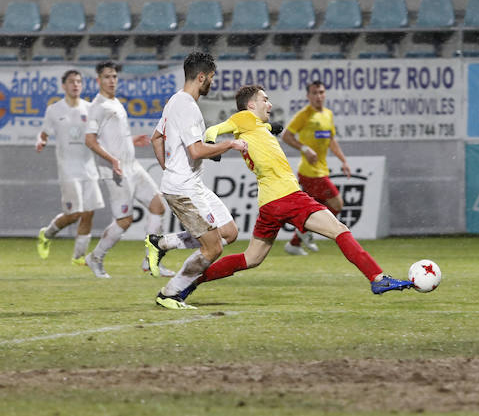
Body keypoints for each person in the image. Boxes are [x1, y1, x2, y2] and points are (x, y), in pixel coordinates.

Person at [167, 84, 412, 308]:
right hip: (288, 197)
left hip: (269, 203)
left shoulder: (255, 126)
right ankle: (377, 277)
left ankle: (192, 281)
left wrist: (269, 127)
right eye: (265, 99)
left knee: (251, 258)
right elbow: (215, 129)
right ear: (251, 105)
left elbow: (257, 130)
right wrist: (213, 147)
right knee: (339, 230)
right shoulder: (244, 118)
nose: (269, 104)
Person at [147, 51, 248, 309]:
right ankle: (170, 293)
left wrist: (169, 167)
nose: (212, 83)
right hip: (183, 189)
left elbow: (156, 138)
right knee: (213, 248)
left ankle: (162, 243)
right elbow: (196, 150)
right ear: (201, 77)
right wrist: (229, 144)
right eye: (211, 78)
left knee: (229, 232)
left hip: (192, 184)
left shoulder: (175, 101)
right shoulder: (187, 106)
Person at [81, 61, 172, 279]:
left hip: (132, 166)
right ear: (98, 80)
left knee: (158, 206)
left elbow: (109, 138)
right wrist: (112, 160)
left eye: (114, 77)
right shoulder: (98, 107)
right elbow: (90, 141)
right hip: (116, 171)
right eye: (107, 77)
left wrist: (131, 140)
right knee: (125, 220)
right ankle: (95, 257)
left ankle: (150, 262)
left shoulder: (115, 103)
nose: (112, 81)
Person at [35, 70, 104, 265]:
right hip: (68, 170)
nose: (76, 85)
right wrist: (40, 141)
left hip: (89, 168)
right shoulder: (54, 110)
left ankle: (78, 257)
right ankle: (47, 234)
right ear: (63, 86)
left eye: (79, 82)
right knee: (75, 214)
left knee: (89, 212)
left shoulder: (90, 109)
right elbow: (44, 133)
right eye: (72, 82)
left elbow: (99, 136)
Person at [280, 80, 351, 255]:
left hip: (321, 170)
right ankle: (305, 231)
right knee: (337, 203)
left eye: (321, 92)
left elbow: (331, 140)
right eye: (314, 93)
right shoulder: (304, 115)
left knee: (315, 208)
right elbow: (286, 136)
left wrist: (343, 160)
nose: (318, 96)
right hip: (310, 172)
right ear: (308, 96)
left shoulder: (328, 114)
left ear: (325, 94)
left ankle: (295, 243)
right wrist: (304, 148)